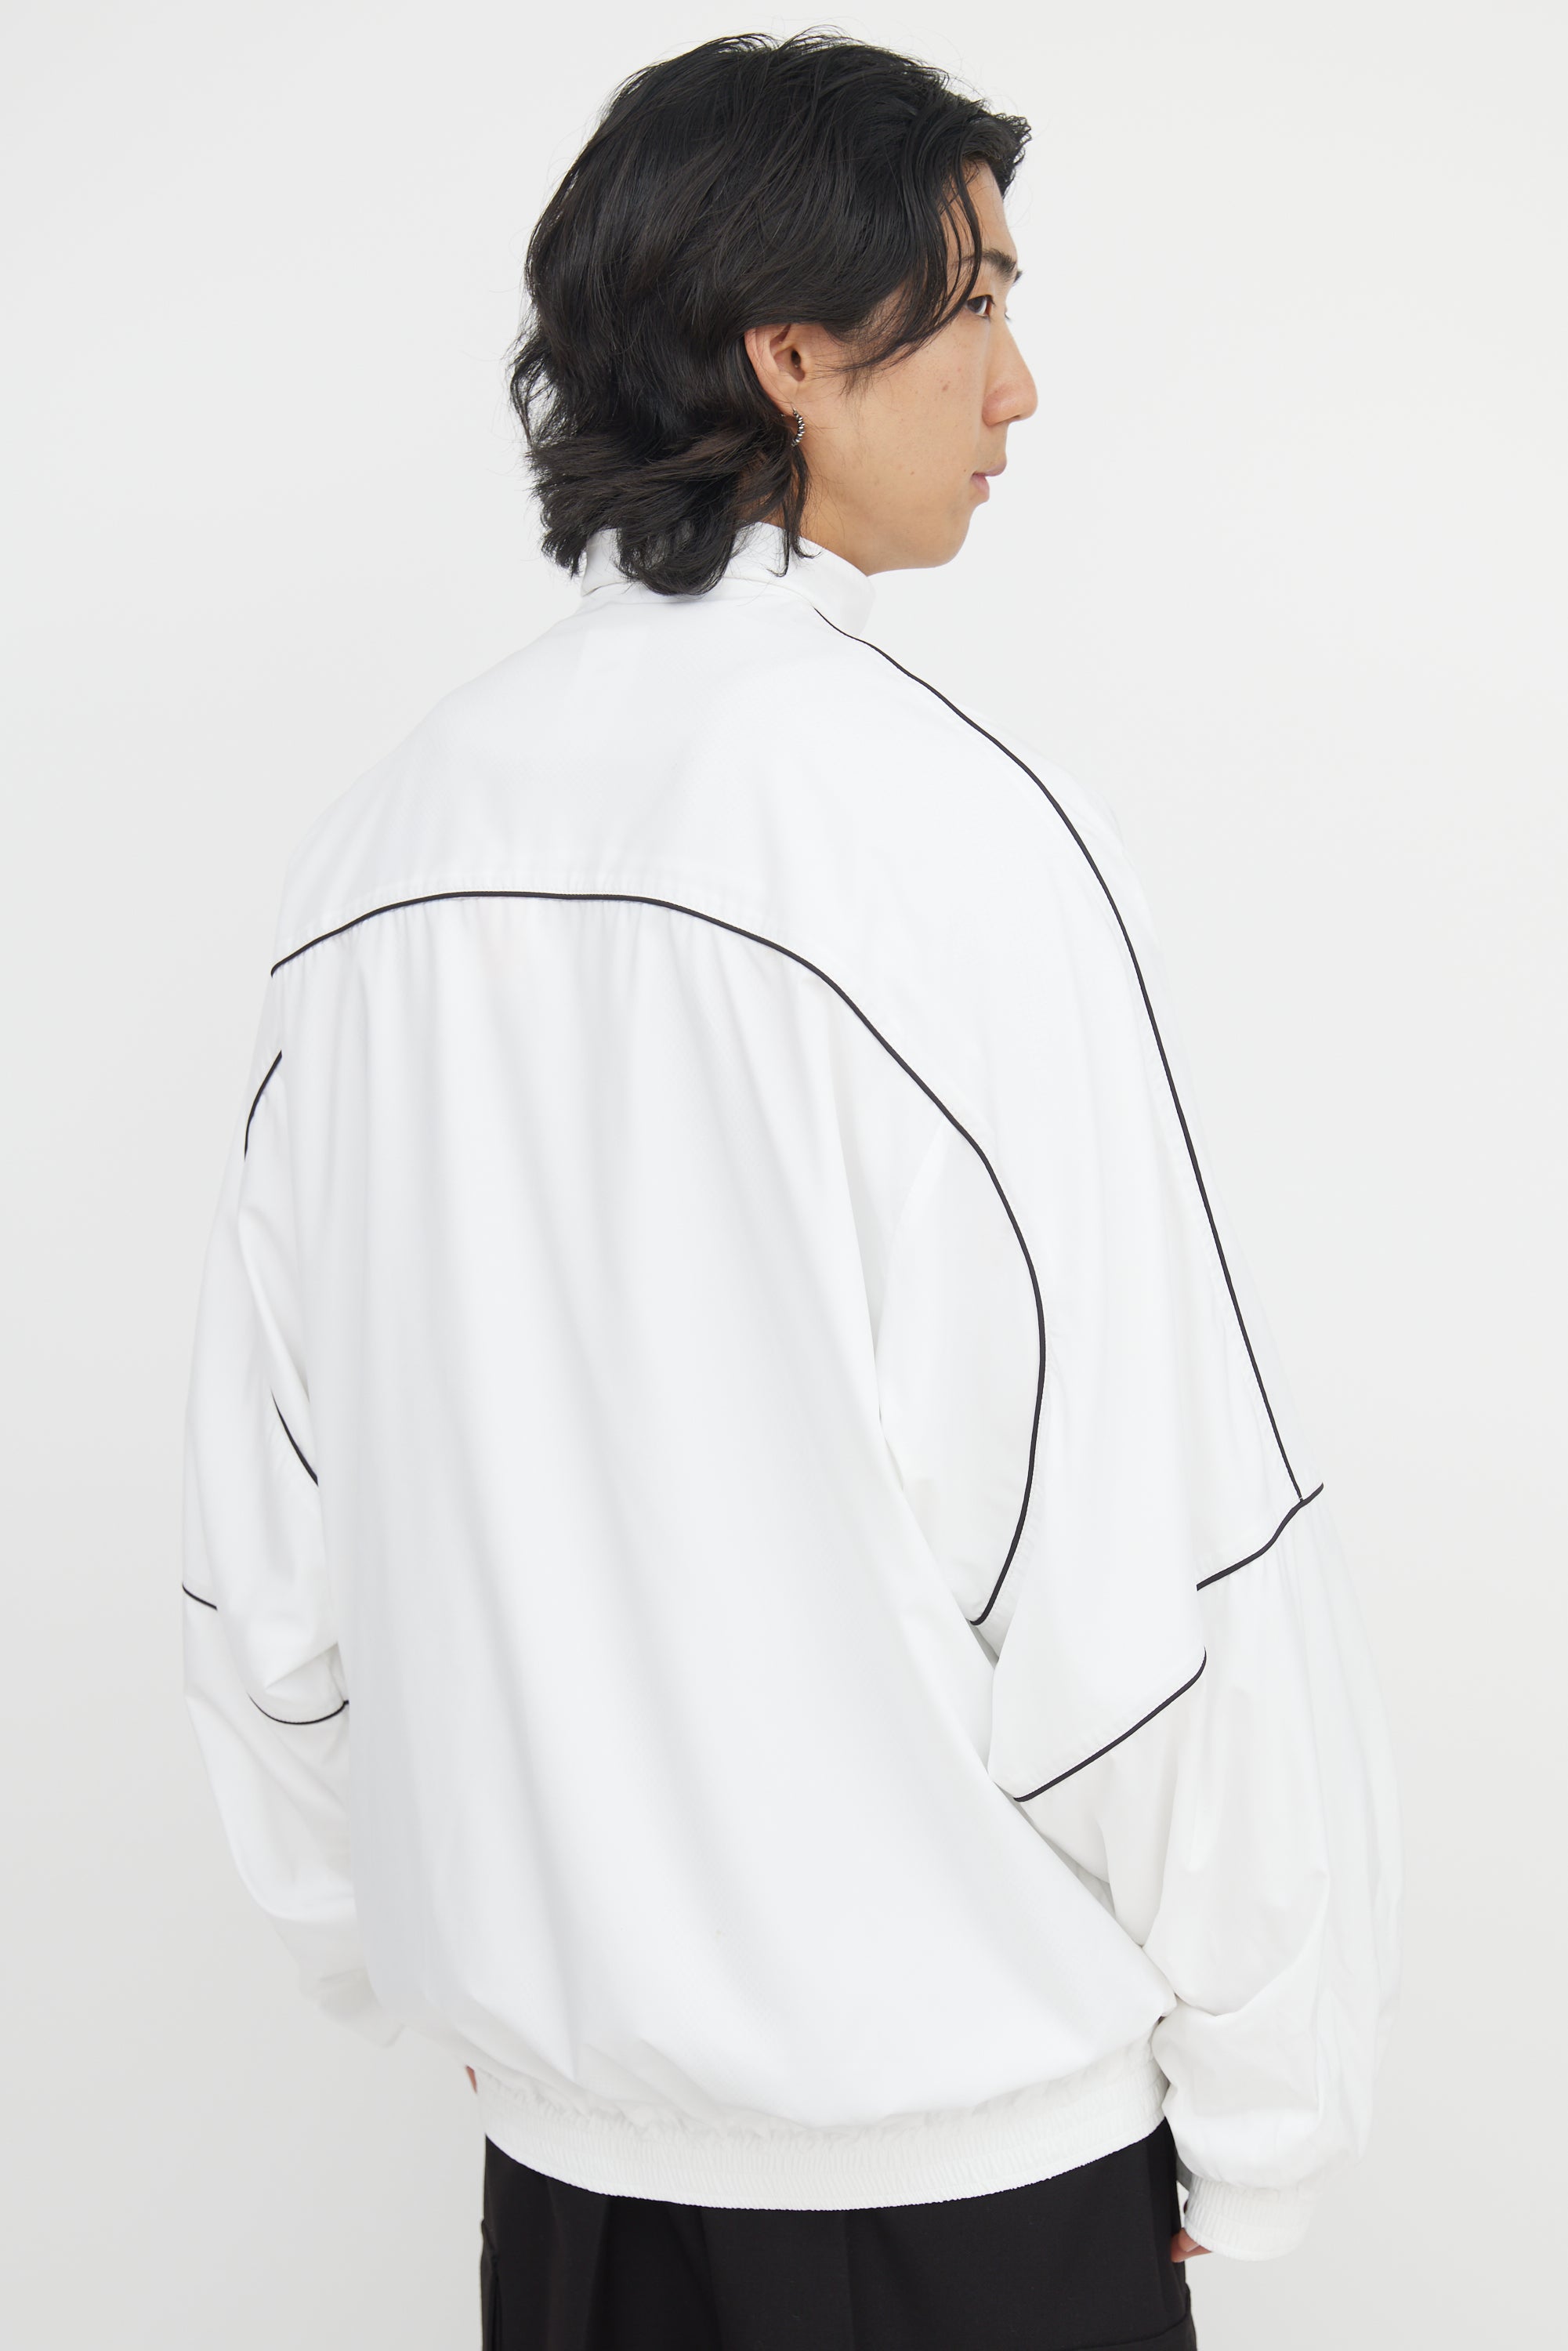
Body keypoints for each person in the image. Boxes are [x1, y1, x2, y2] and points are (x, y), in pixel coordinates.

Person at [182, 32, 1400, 2351]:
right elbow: (1140, 1562)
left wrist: (455, 1963)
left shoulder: (376, 855)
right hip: (961, 2183)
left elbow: (267, 1571)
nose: (1019, 388)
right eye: (978, 304)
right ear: (791, 354)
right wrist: (1265, 2117)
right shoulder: (943, 838)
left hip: (568, 2196)